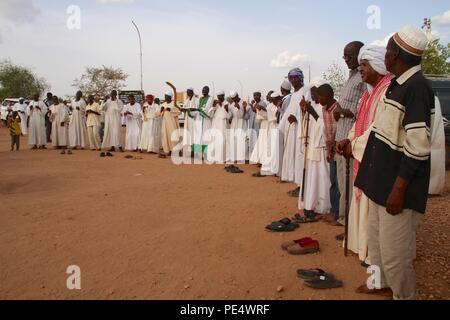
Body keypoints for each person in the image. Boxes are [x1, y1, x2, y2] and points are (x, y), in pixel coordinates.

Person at [354, 26, 432, 300]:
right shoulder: (396, 86)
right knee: (376, 247)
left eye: (387, 49)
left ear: (395, 53)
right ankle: (379, 284)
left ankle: (403, 295)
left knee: (396, 256)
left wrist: (399, 190)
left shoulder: (417, 88)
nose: (384, 55)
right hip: (379, 183)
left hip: (396, 189)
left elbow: (418, 150)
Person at [336, 45, 393, 263]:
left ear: (378, 66)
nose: (361, 69)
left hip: (378, 160)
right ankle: (365, 250)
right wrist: (348, 140)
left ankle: (375, 259)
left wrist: (355, 146)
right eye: (360, 64)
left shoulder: (387, 92)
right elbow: (359, 124)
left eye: (364, 64)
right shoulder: (369, 95)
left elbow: (378, 128)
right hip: (364, 156)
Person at [329, 41, 366, 227]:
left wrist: (342, 111)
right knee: (342, 183)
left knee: (350, 184)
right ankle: (344, 219)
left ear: (360, 54)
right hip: (341, 137)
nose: (346, 59)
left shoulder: (363, 77)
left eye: (349, 55)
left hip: (351, 140)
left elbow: (364, 110)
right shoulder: (351, 77)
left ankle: (349, 224)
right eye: (344, 56)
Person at [297, 84, 332, 222]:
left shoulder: (325, 108)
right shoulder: (314, 106)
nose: (313, 96)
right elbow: (309, 124)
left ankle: (322, 205)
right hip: (312, 145)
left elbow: (324, 126)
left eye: (316, 93)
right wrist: (303, 111)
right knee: (312, 177)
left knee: (322, 176)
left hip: (321, 148)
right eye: (312, 93)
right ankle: (310, 203)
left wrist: (311, 112)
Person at [279, 68, 307, 196]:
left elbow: (308, 111)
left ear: (301, 78)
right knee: (295, 158)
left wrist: (297, 119)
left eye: (296, 77)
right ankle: (298, 184)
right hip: (292, 131)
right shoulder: (294, 94)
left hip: (301, 131)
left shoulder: (305, 91)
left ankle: (303, 186)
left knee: (301, 158)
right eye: (291, 78)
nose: (293, 80)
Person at [317, 84, 340, 221]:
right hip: (331, 151)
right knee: (333, 182)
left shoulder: (337, 109)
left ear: (328, 96)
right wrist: (327, 150)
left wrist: (333, 144)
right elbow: (326, 132)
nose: (319, 99)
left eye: (320, 96)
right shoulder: (324, 109)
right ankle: (334, 210)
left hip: (339, 150)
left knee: (339, 183)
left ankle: (339, 213)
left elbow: (339, 129)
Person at [226, 91, 247, 169]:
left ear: (237, 96)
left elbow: (242, 116)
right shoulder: (231, 105)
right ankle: (234, 158)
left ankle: (241, 158)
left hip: (241, 124)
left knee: (241, 141)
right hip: (234, 124)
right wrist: (226, 111)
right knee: (233, 141)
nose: (234, 100)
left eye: (235, 98)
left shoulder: (244, 102)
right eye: (232, 99)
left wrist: (240, 108)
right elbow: (229, 116)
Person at [159, 84, 182, 158]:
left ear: (170, 97)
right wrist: (161, 110)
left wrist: (171, 110)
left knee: (174, 137)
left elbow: (179, 111)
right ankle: (169, 150)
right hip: (165, 124)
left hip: (172, 123)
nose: (166, 98)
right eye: (165, 96)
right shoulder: (163, 104)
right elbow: (159, 114)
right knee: (166, 137)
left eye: (167, 97)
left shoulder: (175, 103)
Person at [192, 86, 214, 160]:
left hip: (206, 121)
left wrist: (200, 110)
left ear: (208, 91)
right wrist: (191, 111)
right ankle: (199, 155)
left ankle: (206, 155)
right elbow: (197, 108)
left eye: (205, 90)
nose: (203, 91)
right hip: (199, 120)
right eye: (202, 90)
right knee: (198, 138)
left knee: (206, 138)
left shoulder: (210, 98)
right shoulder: (200, 99)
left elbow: (207, 109)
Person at [209, 91, 230, 164]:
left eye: (220, 96)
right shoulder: (216, 103)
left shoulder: (227, 103)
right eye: (218, 96)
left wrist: (222, 105)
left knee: (222, 140)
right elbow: (210, 113)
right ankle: (214, 157)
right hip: (215, 123)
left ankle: (222, 158)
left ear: (223, 96)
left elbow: (229, 116)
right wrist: (213, 106)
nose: (219, 98)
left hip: (222, 124)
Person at [182, 88, 198, 156]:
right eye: (187, 92)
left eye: (189, 92)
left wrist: (191, 111)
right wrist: (183, 110)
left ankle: (194, 151)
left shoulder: (196, 100)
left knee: (194, 135)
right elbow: (184, 108)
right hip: (187, 120)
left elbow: (197, 110)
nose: (188, 94)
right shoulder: (187, 100)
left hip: (193, 120)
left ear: (192, 92)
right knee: (187, 135)